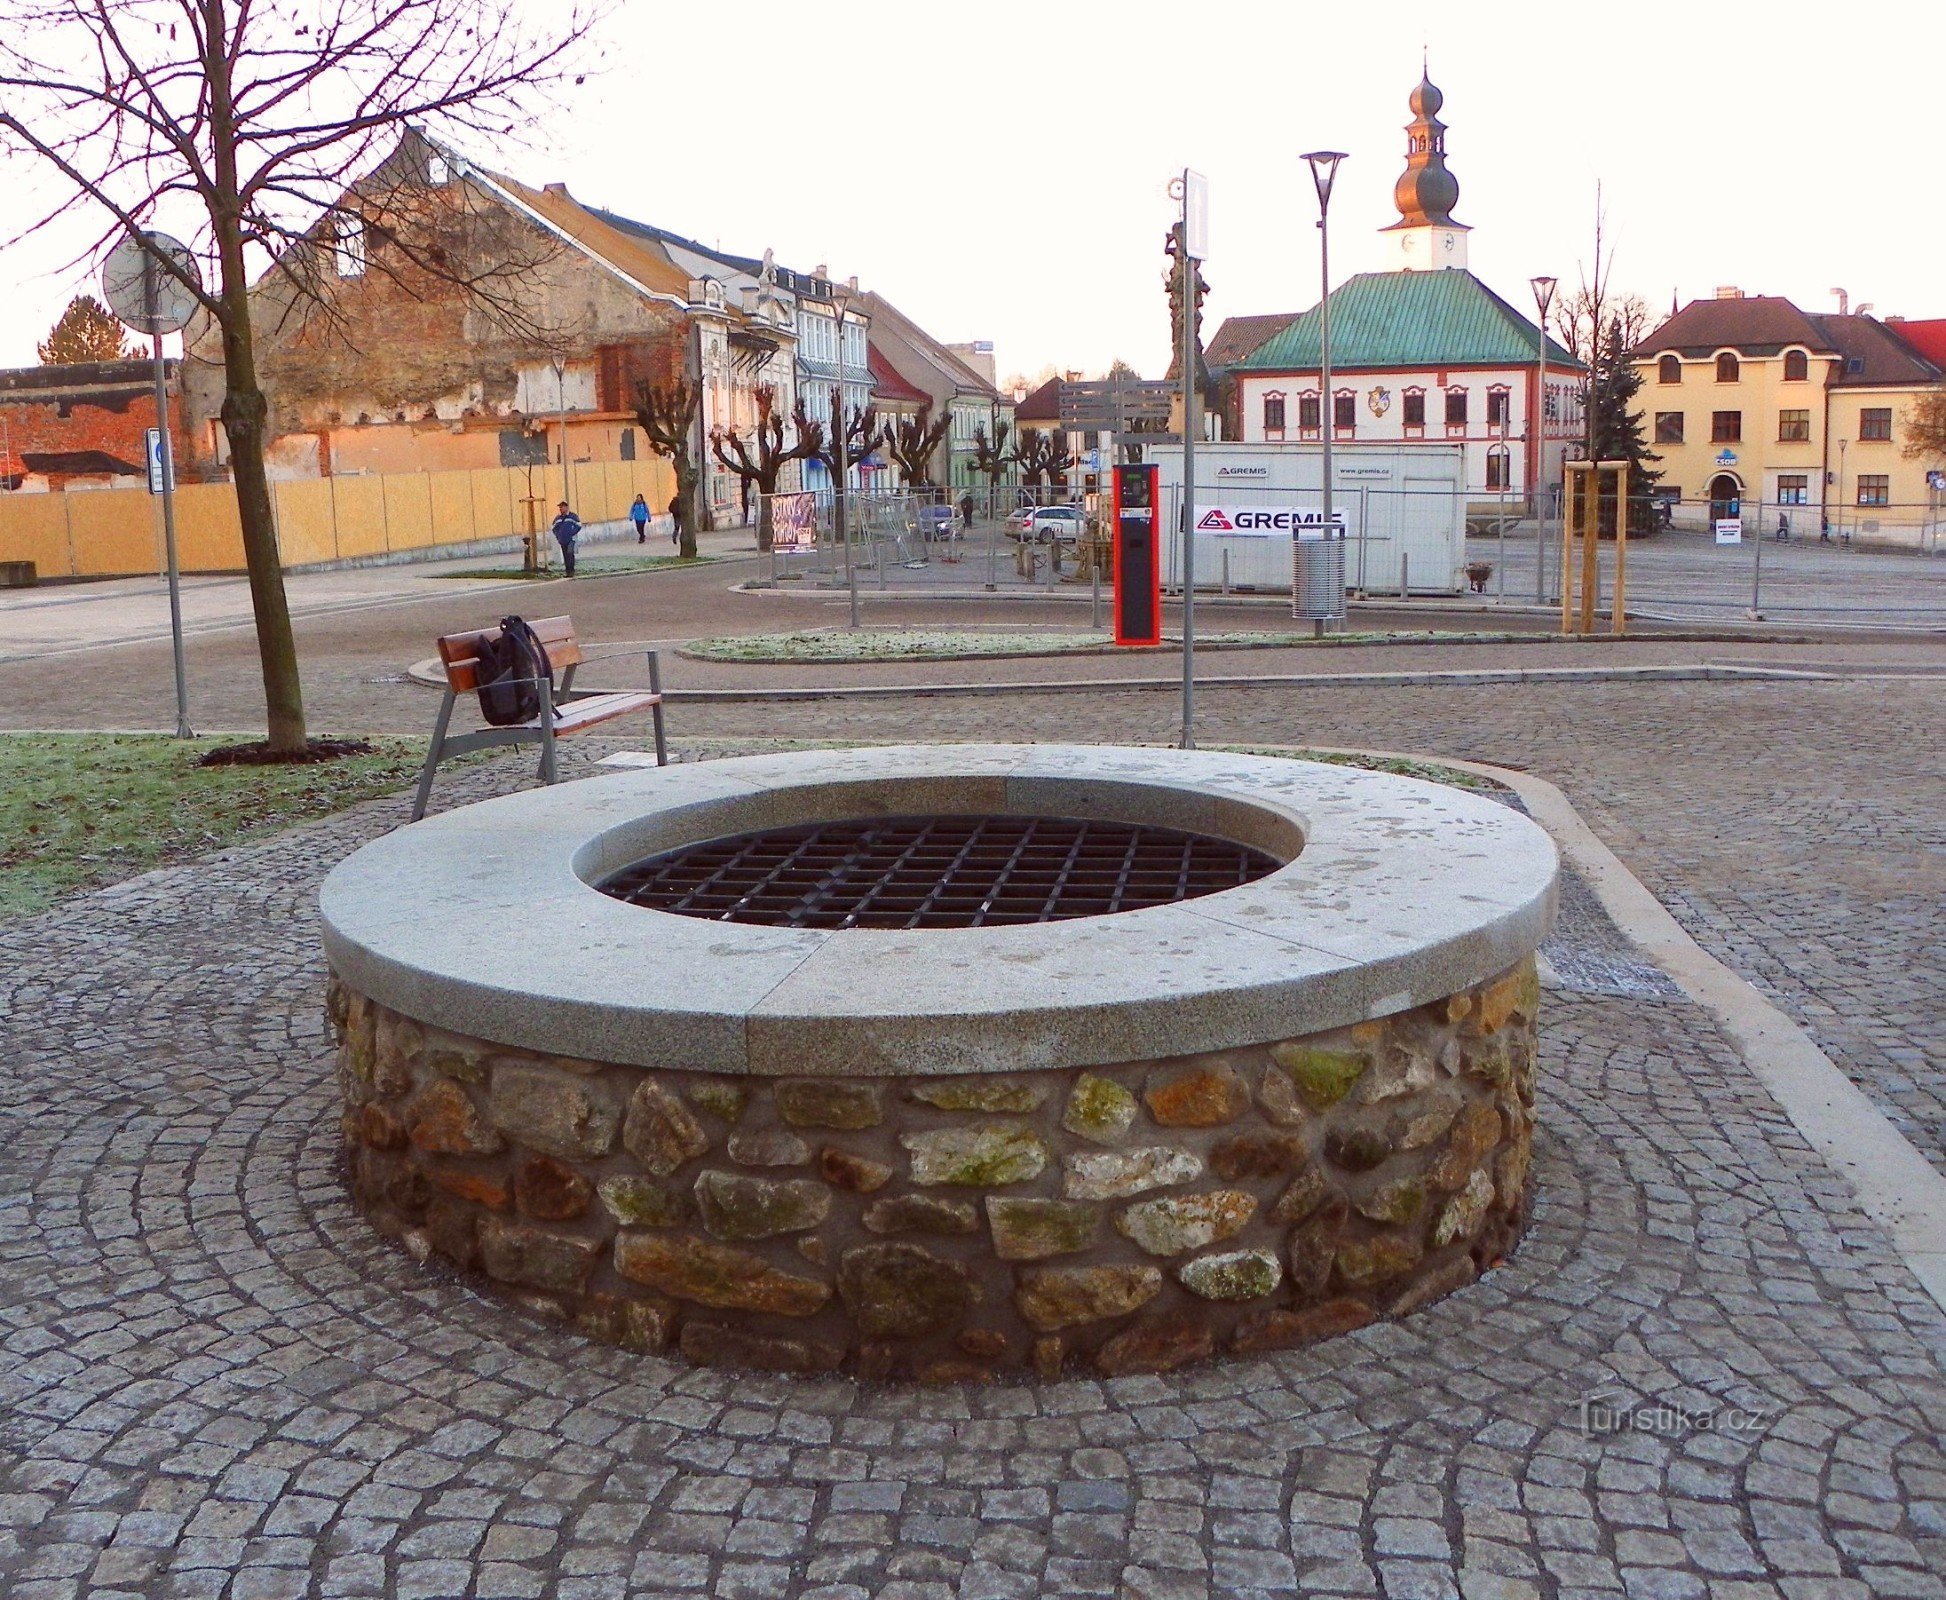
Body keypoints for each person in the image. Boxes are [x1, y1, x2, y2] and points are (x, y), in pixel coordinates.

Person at [550, 501, 581, 577]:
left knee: (570, 554)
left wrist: (572, 532)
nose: (560, 509)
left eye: (562, 507)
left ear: (566, 507)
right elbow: (554, 528)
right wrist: (558, 535)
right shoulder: (558, 518)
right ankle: (567, 571)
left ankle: (571, 571)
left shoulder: (572, 516)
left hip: (571, 539)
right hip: (562, 540)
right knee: (565, 556)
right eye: (560, 507)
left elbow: (579, 525)